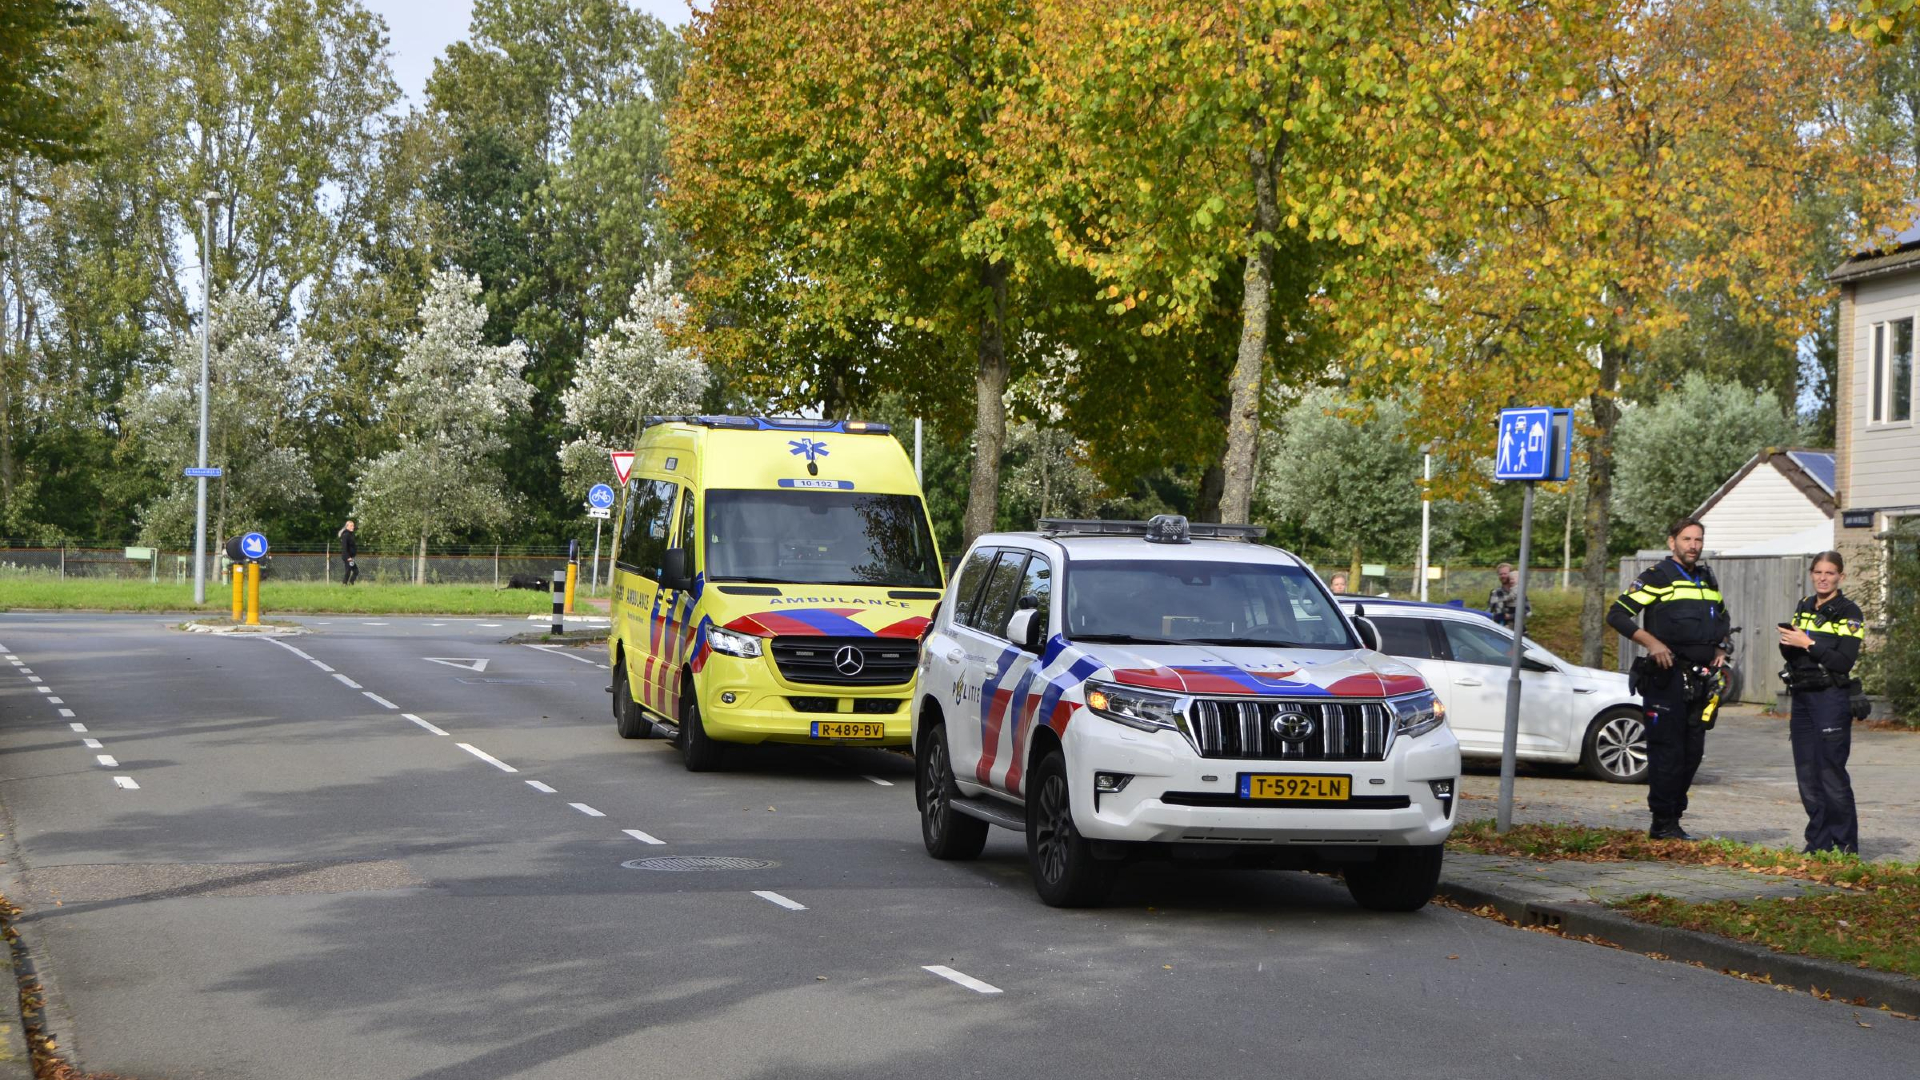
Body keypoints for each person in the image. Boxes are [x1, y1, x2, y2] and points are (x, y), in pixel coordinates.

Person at [1607, 517, 1731, 841]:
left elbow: (1722, 620)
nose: (1693, 545)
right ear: (1671, 542)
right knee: (1667, 752)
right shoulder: (1658, 577)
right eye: (1687, 539)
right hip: (1667, 678)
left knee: (1692, 753)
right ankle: (1662, 822)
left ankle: (1675, 817)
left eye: (1698, 540)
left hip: (1700, 682)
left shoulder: (1706, 579)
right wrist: (1652, 643)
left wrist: (1721, 646)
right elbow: (1617, 614)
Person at [1778, 551, 1865, 855]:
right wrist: (1789, 642)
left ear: (1840, 575)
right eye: (1818, 572)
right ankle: (1818, 843)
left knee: (1830, 773)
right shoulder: (1804, 605)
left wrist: (1808, 644)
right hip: (1802, 695)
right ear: (1811, 573)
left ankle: (1845, 847)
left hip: (1830, 697)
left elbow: (1843, 661)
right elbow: (1795, 653)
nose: (1823, 578)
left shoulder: (1849, 611)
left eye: (1829, 573)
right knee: (1807, 772)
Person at [1487, 562, 1531, 628]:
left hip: (1518, 631)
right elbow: (1489, 612)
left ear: (1511, 574)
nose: (1502, 576)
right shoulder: (1495, 592)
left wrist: (1510, 616)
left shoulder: (1520, 592)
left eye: (1505, 573)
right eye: (1500, 574)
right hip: (1500, 630)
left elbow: (1527, 612)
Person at [338, 519, 359, 585]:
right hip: (347, 556)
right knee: (349, 570)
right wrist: (348, 557)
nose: (353, 527)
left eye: (353, 525)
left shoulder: (350, 534)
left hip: (350, 557)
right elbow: (344, 547)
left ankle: (350, 583)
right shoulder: (345, 535)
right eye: (351, 526)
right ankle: (344, 584)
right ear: (347, 526)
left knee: (355, 571)